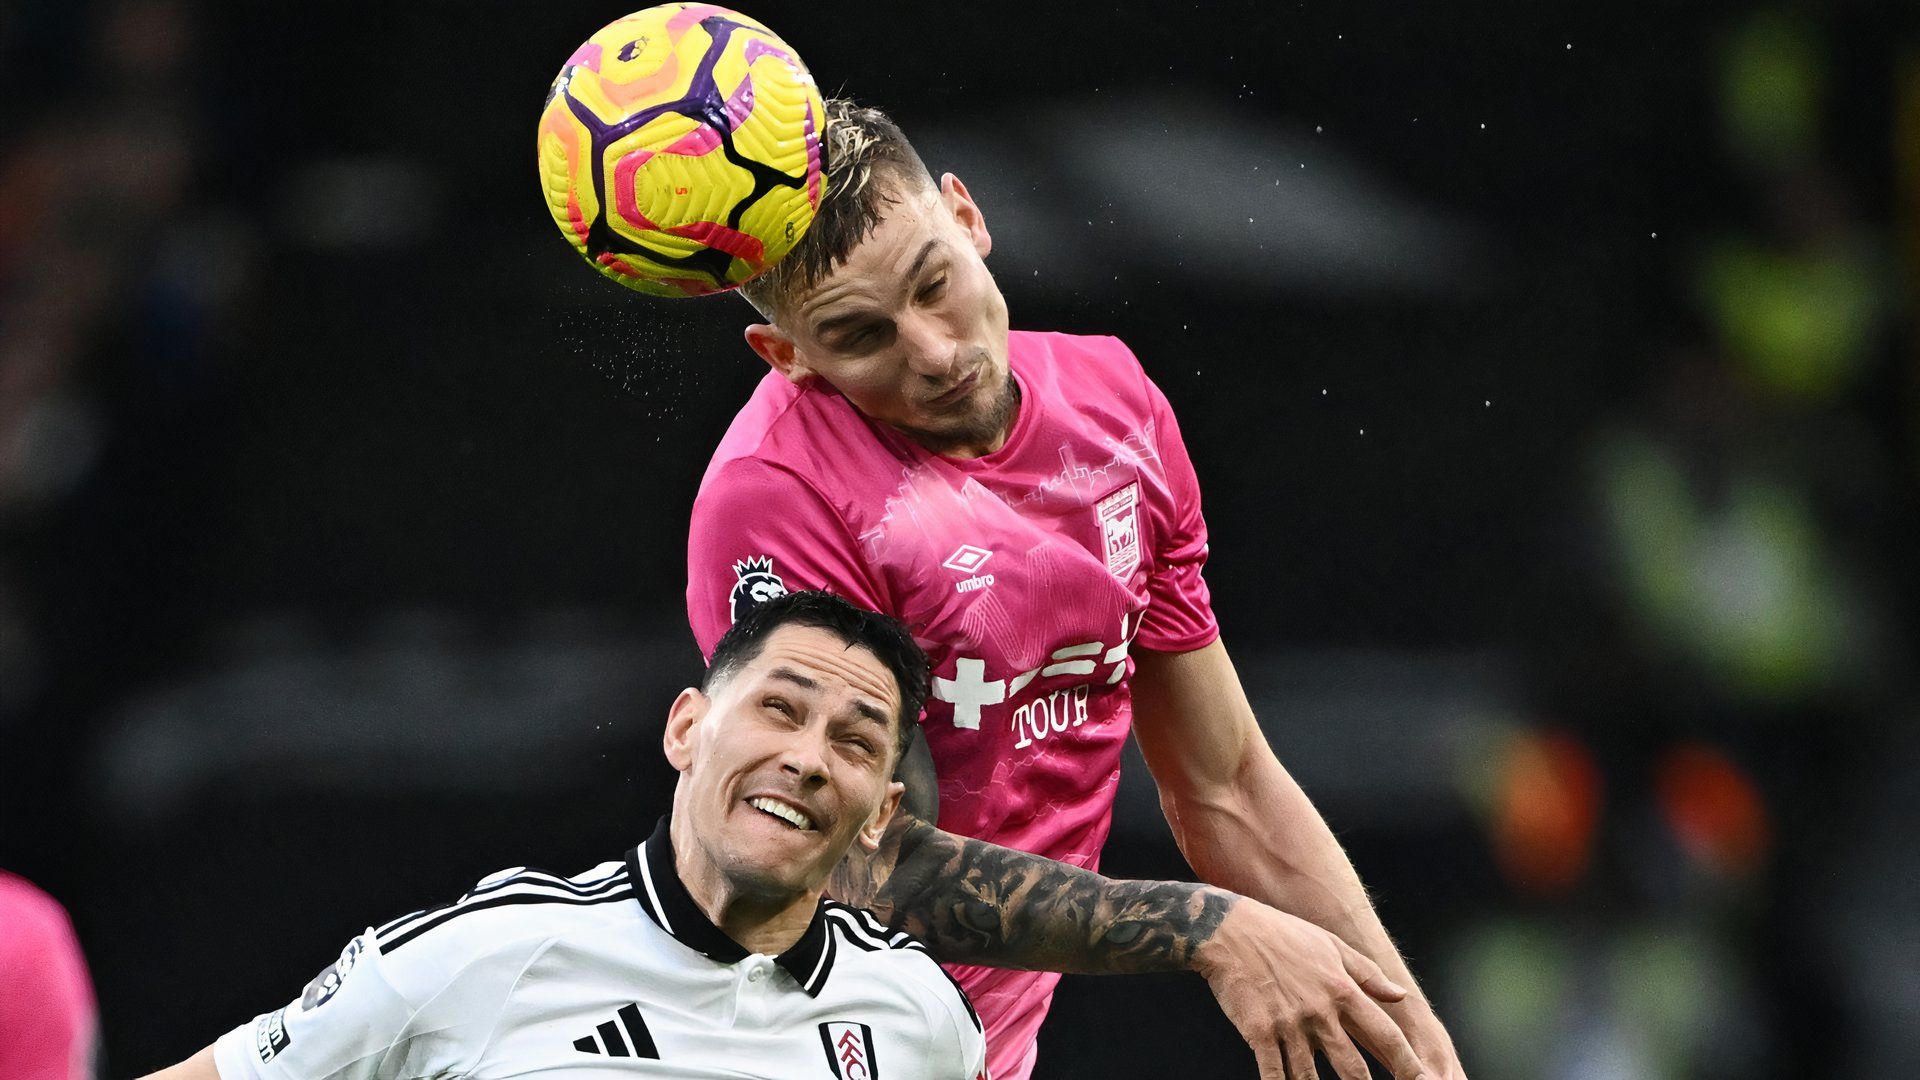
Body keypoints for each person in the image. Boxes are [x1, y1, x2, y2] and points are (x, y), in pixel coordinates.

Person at [687, 100, 1465, 1080]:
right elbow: (869, 862)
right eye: (861, 335)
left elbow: (1224, 786)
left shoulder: (1116, 408)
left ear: (968, 218)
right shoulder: (780, 495)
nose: (931, 351)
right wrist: (1206, 928)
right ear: (789, 356)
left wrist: (1411, 1041)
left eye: (936, 285)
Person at [141, 591, 988, 1080]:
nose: (807, 760)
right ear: (686, 730)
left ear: (881, 810)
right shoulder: (485, 954)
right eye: (780, 709)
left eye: (855, 741)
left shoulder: (920, 1017)